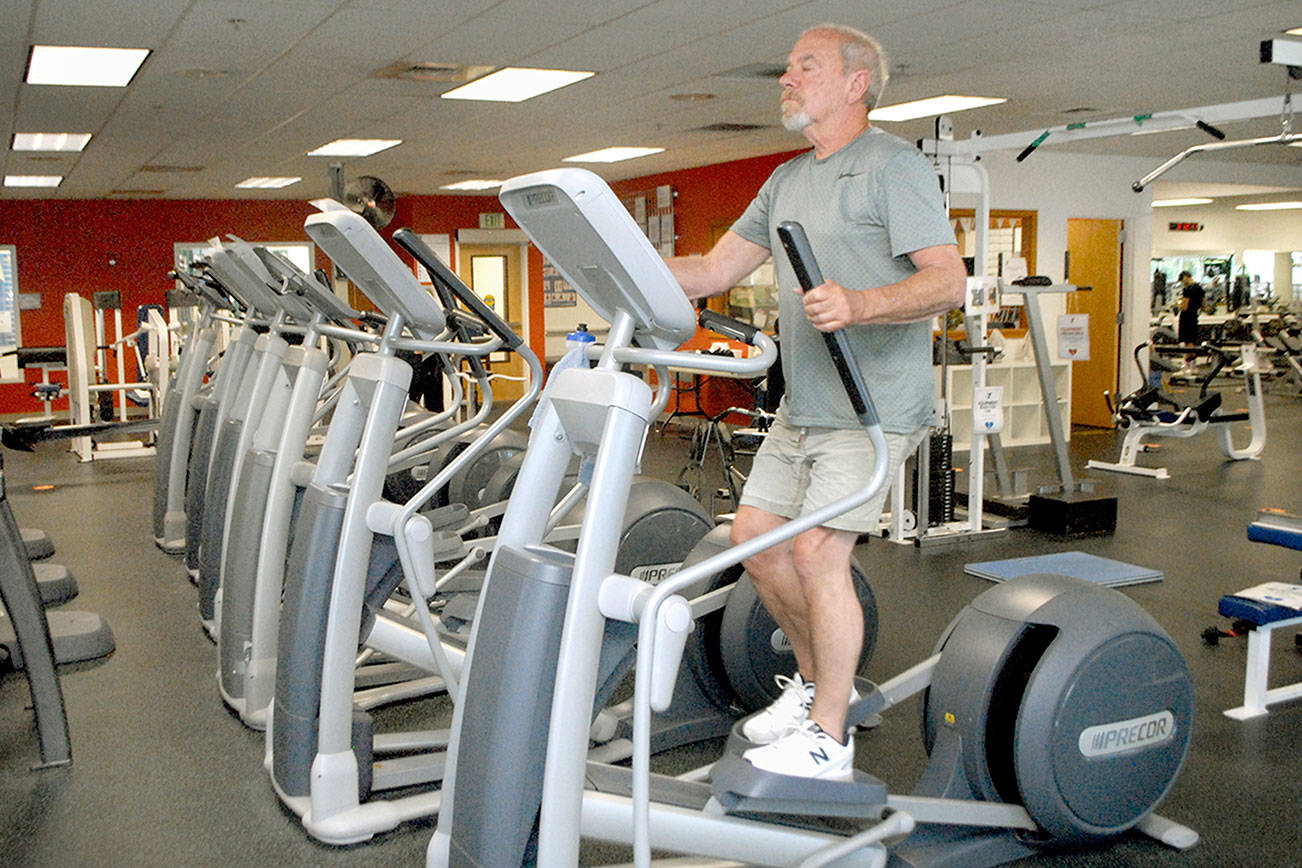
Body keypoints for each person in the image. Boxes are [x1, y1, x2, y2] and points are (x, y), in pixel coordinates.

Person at [666, 24, 966, 780]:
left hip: (874, 407)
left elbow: (947, 281)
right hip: (804, 405)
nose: (787, 79)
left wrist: (861, 303)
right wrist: (612, 262)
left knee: (817, 553)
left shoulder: (893, 167)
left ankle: (831, 734)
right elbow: (706, 270)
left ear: (856, 84)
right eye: (788, 68)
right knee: (759, 541)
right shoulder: (786, 179)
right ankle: (812, 687)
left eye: (806, 67)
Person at [1176, 271, 1205, 347]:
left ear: (1185, 278)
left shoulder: (1187, 289)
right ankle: (1192, 355)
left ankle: (1189, 356)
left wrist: (1179, 305)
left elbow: (1185, 307)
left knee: (1187, 340)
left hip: (1186, 318)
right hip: (1194, 316)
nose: (1183, 283)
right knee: (1192, 338)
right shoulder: (1199, 288)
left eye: (1182, 281)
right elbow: (1203, 303)